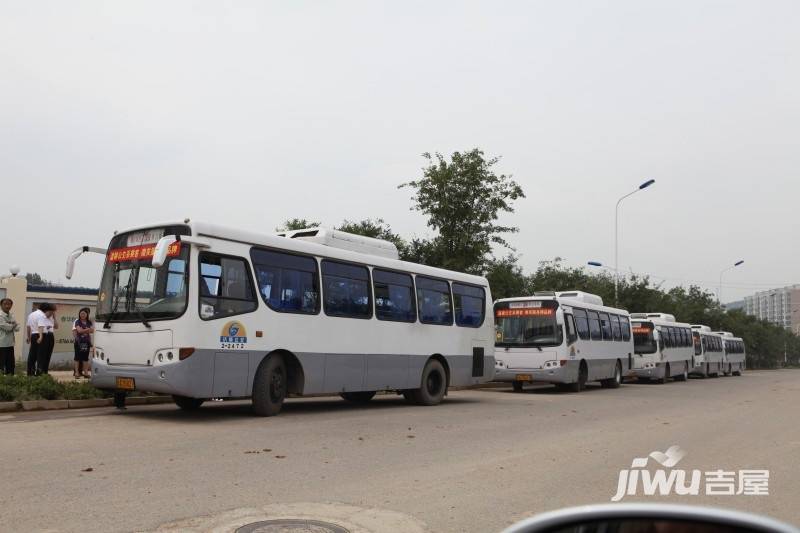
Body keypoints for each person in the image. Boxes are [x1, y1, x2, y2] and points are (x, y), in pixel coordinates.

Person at [30, 303, 57, 375]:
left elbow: (56, 326)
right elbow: (40, 326)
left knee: (34, 355)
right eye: (51, 312)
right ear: (46, 310)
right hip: (43, 335)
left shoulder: (33, 314)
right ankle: (40, 373)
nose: (52, 313)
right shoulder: (42, 316)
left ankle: (32, 373)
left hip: (42, 335)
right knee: (42, 356)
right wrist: (41, 336)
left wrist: (54, 317)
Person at [72, 307, 94, 378]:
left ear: (87, 314)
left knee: (85, 358)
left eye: (84, 313)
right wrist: (87, 329)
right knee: (77, 358)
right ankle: (77, 373)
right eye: (81, 313)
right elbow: (79, 331)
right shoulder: (77, 321)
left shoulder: (89, 322)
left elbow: (92, 330)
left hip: (86, 342)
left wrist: (84, 330)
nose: (82, 315)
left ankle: (86, 373)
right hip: (79, 342)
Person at [0, 298, 20, 375]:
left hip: (10, 344)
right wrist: (13, 325)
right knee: (1, 365)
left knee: (11, 365)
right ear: (1, 305)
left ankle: (10, 381)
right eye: (5, 304)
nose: (7, 306)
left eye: (9, 304)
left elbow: (18, 328)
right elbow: (7, 328)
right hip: (1, 344)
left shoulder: (11, 315)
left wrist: (12, 325)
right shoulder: (0, 316)